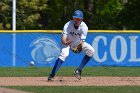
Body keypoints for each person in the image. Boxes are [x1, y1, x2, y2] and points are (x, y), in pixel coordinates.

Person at [48, 10, 95, 81]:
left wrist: (78, 48)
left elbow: (82, 42)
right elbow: (63, 38)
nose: (76, 20)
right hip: (67, 42)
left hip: (77, 43)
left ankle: (78, 70)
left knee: (91, 51)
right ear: (73, 18)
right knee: (64, 54)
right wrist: (65, 42)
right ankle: (52, 75)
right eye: (75, 18)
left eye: (78, 19)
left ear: (82, 19)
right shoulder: (68, 25)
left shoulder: (84, 27)